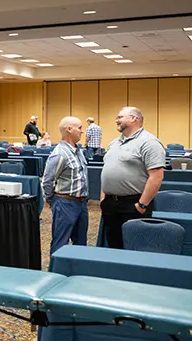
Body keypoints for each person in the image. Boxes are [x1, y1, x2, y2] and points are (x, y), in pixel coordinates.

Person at [100, 106, 165, 249]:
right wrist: (103, 198)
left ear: (134, 118)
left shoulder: (149, 142)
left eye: (120, 117)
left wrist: (141, 205)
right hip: (110, 204)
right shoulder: (114, 143)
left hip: (133, 204)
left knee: (135, 248)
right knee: (114, 246)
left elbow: (156, 176)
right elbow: (107, 170)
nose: (116, 120)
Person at [42, 117, 89, 254]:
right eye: (79, 128)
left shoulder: (78, 151)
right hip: (65, 202)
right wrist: (53, 201)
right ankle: (57, 273)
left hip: (81, 203)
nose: (82, 131)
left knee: (81, 244)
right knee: (60, 243)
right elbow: (47, 181)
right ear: (69, 129)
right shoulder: (59, 154)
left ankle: (77, 272)